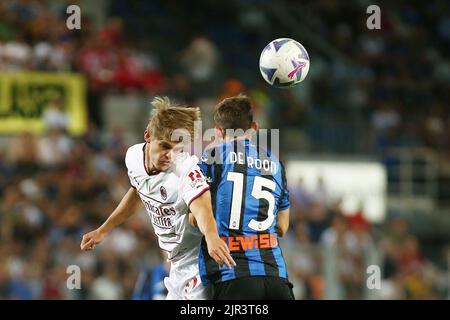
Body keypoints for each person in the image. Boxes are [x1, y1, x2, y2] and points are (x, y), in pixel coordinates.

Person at [80, 96, 235, 300]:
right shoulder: (133, 157)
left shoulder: (185, 168)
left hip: (201, 261)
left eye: (177, 150)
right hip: (176, 265)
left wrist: (212, 236)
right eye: (164, 146)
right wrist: (103, 230)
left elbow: (201, 202)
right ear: (147, 135)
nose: (170, 156)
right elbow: (138, 192)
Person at [197, 94, 295, 300]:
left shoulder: (212, 156)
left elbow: (194, 216)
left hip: (232, 276)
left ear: (217, 131)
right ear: (254, 127)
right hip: (277, 277)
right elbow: (283, 227)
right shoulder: (276, 163)